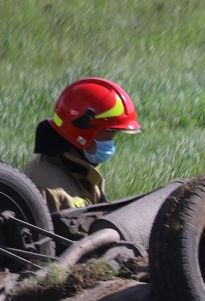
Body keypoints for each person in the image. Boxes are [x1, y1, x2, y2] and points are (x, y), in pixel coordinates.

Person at [23, 77, 141, 212]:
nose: (111, 142)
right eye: (108, 133)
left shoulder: (82, 170)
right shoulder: (46, 189)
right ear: (82, 134)